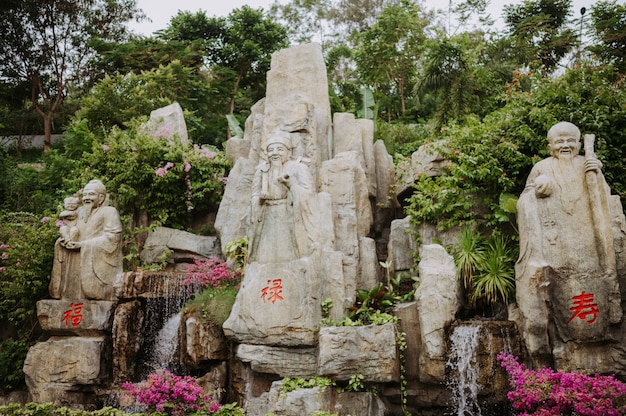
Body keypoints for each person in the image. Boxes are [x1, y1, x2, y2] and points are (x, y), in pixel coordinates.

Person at [515, 122, 621, 365]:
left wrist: (598, 173)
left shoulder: (588, 165)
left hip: (588, 243)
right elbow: (525, 200)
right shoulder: (541, 167)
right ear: (550, 145)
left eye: (569, 141)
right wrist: (536, 192)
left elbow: (605, 201)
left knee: (591, 288)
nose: (565, 145)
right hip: (557, 245)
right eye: (559, 141)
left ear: (578, 142)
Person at [248, 131, 318, 263]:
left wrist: (291, 184)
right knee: (265, 257)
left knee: (290, 256)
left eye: (279, 149)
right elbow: (254, 195)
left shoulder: (299, 168)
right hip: (267, 217)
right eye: (271, 150)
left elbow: (309, 194)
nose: (274, 153)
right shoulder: (262, 171)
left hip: (290, 215)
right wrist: (260, 199)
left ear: (289, 152)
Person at [51, 180, 123, 300]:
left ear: (101, 197)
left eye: (91, 194)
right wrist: (63, 241)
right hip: (75, 258)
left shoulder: (109, 211)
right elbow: (71, 229)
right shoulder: (79, 212)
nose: (86, 198)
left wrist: (83, 245)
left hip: (92, 258)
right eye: (84, 195)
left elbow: (113, 237)